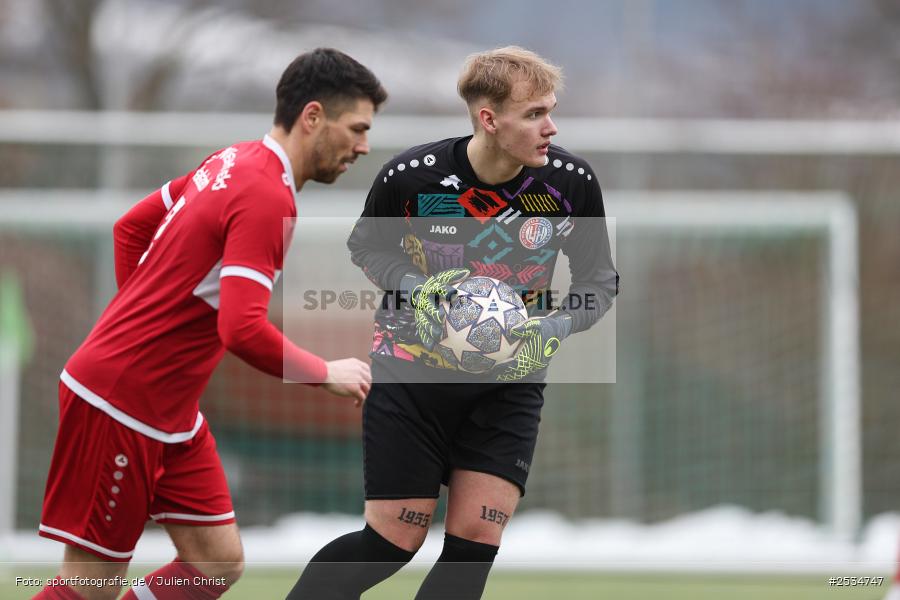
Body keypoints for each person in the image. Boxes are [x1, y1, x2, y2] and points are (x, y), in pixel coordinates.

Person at [33, 48, 386, 600]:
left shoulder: (232, 160)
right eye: (357, 128)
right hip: (120, 403)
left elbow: (130, 229)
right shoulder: (266, 195)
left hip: (168, 411)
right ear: (312, 117)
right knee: (89, 587)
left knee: (215, 565)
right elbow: (242, 330)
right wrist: (325, 372)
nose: (363, 146)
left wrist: (151, 335)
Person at [286, 46, 618, 600]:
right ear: (489, 119)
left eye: (550, 111)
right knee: (390, 543)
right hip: (411, 376)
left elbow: (600, 282)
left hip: (509, 384)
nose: (550, 127)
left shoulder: (570, 183)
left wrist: (555, 328)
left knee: (474, 545)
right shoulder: (413, 176)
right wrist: (420, 289)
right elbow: (366, 248)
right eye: (535, 114)